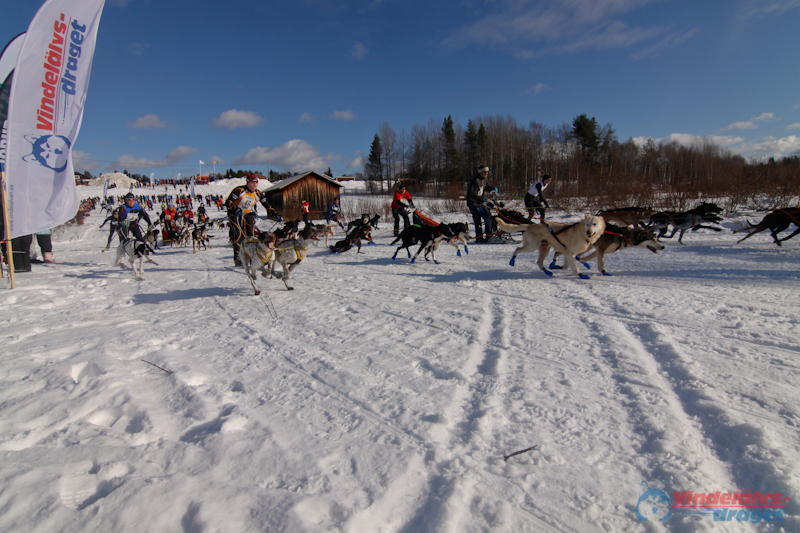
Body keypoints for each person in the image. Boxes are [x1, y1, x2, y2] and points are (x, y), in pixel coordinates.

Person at [225, 174, 275, 266]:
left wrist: (274, 213)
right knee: (239, 234)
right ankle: (237, 257)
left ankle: (252, 257)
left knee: (251, 236)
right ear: (248, 182)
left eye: (256, 182)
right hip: (234, 213)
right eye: (253, 182)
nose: (255, 184)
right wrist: (235, 208)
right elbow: (228, 202)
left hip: (247, 214)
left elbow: (267, 204)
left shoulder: (257, 193)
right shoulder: (239, 190)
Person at [466, 165, 496, 243]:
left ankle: (488, 236)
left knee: (488, 217)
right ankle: (479, 238)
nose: (486, 174)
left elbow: (485, 187)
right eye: (485, 172)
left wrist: (492, 189)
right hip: (473, 203)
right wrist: (481, 199)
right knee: (478, 220)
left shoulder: (484, 180)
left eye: (487, 172)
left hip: (480, 202)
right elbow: (471, 193)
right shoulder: (475, 181)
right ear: (480, 172)